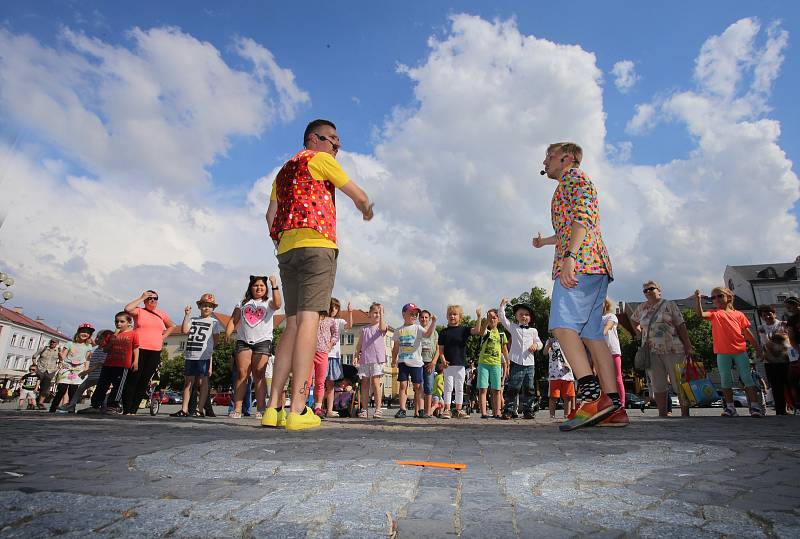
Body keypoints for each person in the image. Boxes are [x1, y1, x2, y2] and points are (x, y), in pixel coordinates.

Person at [264, 119, 373, 431]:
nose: (336, 145)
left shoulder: (283, 171)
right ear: (313, 138)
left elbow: (270, 215)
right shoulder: (320, 159)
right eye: (332, 139)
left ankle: (273, 409)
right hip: (317, 243)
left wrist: (282, 240)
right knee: (310, 320)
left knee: (293, 323)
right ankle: (298, 408)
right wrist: (367, 211)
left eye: (338, 141)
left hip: (287, 247)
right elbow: (359, 196)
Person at [533, 141, 626, 430]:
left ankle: (591, 395)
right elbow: (569, 226)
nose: (545, 161)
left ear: (567, 157)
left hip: (581, 262)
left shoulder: (575, 179)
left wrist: (570, 257)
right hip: (593, 264)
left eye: (550, 156)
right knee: (592, 335)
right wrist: (545, 242)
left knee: (562, 325)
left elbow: (583, 219)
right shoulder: (569, 185)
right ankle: (613, 407)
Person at [693, 287, 764, 417]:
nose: (716, 299)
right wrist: (697, 300)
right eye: (713, 297)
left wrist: (757, 348)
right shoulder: (715, 313)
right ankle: (730, 407)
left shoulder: (739, 314)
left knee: (747, 378)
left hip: (739, 350)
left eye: (719, 296)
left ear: (728, 297)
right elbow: (701, 314)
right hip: (723, 351)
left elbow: (748, 334)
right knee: (725, 379)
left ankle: (754, 406)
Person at [630, 282, 694, 417]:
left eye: (651, 289)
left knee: (679, 382)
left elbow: (681, 325)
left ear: (659, 290)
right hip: (651, 350)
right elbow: (634, 320)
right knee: (658, 383)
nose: (648, 292)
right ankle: (662, 413)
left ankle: (685, 412)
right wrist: (639, 332)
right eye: (645, 290)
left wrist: (688, 345)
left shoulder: (669, 305)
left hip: (673, 348)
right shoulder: (642, 307)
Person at [226, 276, 281, 419]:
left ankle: (261, 408)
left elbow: (278, 303)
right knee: (242, 374)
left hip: (263, 341)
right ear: (251, 287)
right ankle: (237, 409)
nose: (259, 288)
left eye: (262, 285)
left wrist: (274, 285)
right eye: (255, 285)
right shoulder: (243, 303)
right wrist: (227, 332)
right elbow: (234, 319)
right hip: (243, 341)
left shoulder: (268, 302)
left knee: (259, 375)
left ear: (266, 288)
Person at [123, 291, 177, 415]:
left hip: (155, 350)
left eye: (155, 298)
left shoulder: (161, 314)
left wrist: (162, 338)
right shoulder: (139, 311)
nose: (152, 300)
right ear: (145, 300)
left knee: (144, 381)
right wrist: (141, 297)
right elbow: (127, 309)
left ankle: (134, 410)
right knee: (133, 379)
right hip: (139, 349)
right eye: (149, 298)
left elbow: (171, 326)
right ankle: (126, 409)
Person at [171, 294, 224, 418]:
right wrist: (187, 315)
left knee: (203, 382)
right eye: (204, 305)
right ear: (200, 306)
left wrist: (209, 356)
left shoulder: (214, 322)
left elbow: (216, 341)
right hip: (190, 354)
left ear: (213, 309)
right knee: (188, 382)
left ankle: (199, 409)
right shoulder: (193, 320)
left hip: (203, 356)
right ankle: (184, 409)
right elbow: (184, 330)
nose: (207, 308)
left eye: (210, 306)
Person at [498, 299, 542, 420]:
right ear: (516, 316)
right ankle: (508, 410)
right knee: (513, 387)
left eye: (526, 315)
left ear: (530, 318)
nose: (524, 316)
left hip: (529, 363)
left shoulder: (534, 331)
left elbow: (540, 343)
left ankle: (528, 410)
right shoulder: (513, 327)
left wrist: (536, 346)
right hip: (516, 362)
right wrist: (502, 305)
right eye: (521, 314)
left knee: (529, 388)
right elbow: (502, 318)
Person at [392, 303, 437, 418]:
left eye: (416, 314)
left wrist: (433, 322)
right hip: (403, 361)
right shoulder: (398, 330)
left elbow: (427, 334)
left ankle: (421, 410)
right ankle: (402, 409)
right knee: (403, 385)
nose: (414, 316)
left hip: (416, 362)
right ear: (403, 314)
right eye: (411, 313)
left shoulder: (417, 328)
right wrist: (393, 360)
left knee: (418, 386)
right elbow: (396, 347)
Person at [437, 305, 481, 419]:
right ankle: (447, 410)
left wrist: (479, 317)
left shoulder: (464, 329)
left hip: (461, 364)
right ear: (447, 316)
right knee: (448, 387)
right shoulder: (443, 332)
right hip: (448, 365)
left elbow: (477, 331)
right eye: (450, 314)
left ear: (460, 317)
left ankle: (458, 409)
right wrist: (443, 360)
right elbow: (440, 350)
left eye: (455, 314)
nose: (452, 316)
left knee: (459, 387)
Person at [57, 329, 113, 413]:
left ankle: (104, 407)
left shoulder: (104, 350)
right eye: (96, 337)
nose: (96, 339)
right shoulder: (97, 349)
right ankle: (71, 405)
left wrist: (86, 372)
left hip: (99, 375)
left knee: (101, 391)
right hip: (93, 375)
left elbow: (99, 364)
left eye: (99, 338)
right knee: (81, 389)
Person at [96, 313, 139, 414]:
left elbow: (136, 348)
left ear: (129, 323)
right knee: (102, 385)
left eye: (122, 321)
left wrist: (136, 361)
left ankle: (112, 406)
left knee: (118, 386)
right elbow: (105, 350)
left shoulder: (133, 334)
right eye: (116, 321)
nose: (118, 324)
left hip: (122, 365)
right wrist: (111, 340)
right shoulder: (112, 335)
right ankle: (95, 405)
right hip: (108, 364)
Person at [354, 302, 388, 419]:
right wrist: (355, 355)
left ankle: (378, 409)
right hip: (365, 359)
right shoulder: (365, 329)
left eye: (379, 313)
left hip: (377, 359)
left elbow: (383, 328)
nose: (377, 315)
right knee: (365, 384)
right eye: (375, 313)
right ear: (369, 314)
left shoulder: (381, 327)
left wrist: (382, 313)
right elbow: (359, 344)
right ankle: (364, 409)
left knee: (375, 383)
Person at [49, 324, 94, 413]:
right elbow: (63, 355)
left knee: (73, 390)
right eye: (83, 331)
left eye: (88, 333)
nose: (85, 334)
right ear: (78, 332)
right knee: (62, 389)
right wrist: (61, 361)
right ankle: (53, 408)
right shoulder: (70, 343)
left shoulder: (88, 346)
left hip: (78, 369)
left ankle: (71, 408)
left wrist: (86, 370)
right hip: (67, 368)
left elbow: (87, 359)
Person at [475, 308, 508, 419]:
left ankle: (497, 412)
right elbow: (480, 332)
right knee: (483, 388)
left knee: (496, 390)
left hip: (496, 364)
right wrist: (485, 321)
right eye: (490, 317)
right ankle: (484, 413)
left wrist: (507, 363)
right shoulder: (486, 331)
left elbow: (505, 350)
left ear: (498, 319)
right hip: (484, 363)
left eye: (494, 317)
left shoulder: (502, 334)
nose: (492, 320)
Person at [324, 298, 353, 418]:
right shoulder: (322, 320)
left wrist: (350, 312)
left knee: (330, 385)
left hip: (333, 356)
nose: (333, 310)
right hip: (321, 354)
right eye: (331, 307)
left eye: (336, 308)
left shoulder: (339, 321)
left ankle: (329, 410)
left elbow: (350, 326)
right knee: (320, 384)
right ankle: (317, 407)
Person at [311, 304, 337, 417]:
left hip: (323, 352)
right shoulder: (312, 317)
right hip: (309, 352)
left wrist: (330, 345)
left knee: (320, 381)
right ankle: (302, 405)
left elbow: (335, 334)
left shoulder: (331, 320)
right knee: (306, 380)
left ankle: (318, 407)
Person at [544, 336, 575, 420]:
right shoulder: (550, 340)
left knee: (567, 396)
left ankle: (566, 414)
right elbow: (545, 353)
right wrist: (548, 345)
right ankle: (552, 415)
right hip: (554, 373)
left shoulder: (568, 339)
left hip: (567, 373)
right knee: (553, 396)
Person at [602, 299, 626, 407]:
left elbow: (609, 325)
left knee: (617, 377)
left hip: (613, 350)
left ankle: (621, 403)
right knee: (604, 378)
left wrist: (602, 331)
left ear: (606, 304)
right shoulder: (594, 319)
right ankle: (607, 403)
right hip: (601, 352)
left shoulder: (611, 316)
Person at [763, 329, 791, 415]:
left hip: (777, 366)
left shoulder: (769, 344)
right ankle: (782, 410)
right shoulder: (770, 344)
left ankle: (781, 410)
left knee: (779, 389)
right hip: (778, 366)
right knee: (781, 389)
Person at [783, 297, 800, 414]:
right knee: (793, 379)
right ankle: (798, 405)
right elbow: (792, 338)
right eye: (787, 308)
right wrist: (798, 350)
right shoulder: (792, 320)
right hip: (798, 348)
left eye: (790, 307)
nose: (789, 310)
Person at [33, 339, 61, 409]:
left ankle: (40, 403)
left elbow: (61, 360)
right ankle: (31, 403)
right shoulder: (43, 348)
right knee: (34, 385)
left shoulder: (59, 351)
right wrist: (35, 365)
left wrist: (58, 367)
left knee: (46, 388)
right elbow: (34, 356)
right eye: (51, 341)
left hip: (51, 371)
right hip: (40, 369)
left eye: (54, 342)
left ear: (57, 343)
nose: (52, 343)